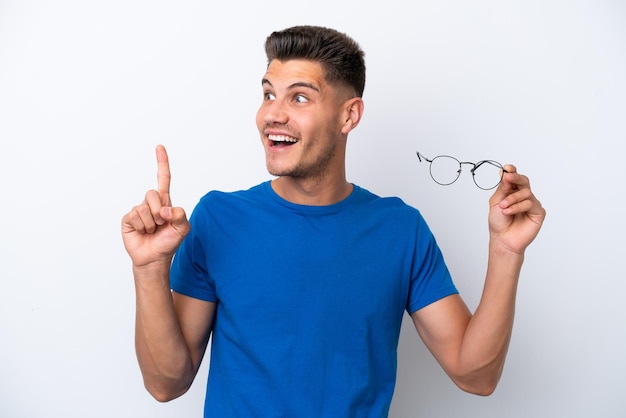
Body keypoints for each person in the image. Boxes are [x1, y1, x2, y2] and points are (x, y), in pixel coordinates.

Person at [121, 25, 546, 417]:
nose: (272, 114)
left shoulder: (401, 230)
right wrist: (149, 268)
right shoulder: (218, 219)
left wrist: (506, 252)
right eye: (268, 94)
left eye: (299, 97)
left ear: (349, 116)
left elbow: (476, 376)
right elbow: (165, 384)